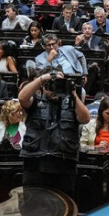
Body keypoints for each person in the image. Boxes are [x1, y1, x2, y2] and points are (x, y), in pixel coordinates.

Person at [18, 67, 91, 197]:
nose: (53, 90)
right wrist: (41, 79)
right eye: (49, 86)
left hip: (64, 166)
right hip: (36, 164)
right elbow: (22, 98)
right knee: (32, 208)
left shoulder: (71, 103)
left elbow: (85, 118)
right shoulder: (36, 101)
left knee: (65, 209)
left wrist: (72, 93)